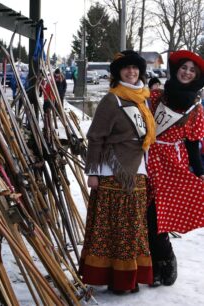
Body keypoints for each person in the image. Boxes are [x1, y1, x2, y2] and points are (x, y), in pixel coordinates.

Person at [79, 50, 155, 293]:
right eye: (126, 68)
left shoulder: (142, 99)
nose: (131, 72)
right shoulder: (112, 100)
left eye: (135, 68)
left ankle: (129, 276)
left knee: (133, 227)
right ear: (118, 72)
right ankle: (115, 278)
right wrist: (92, 172)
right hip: (113, 172)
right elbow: (95, 137)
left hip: (138, 171)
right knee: (113, 228)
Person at [147, 50, 204, 287]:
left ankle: (166, 260)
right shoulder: (156, 97)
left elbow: (192, 144)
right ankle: (150, 263)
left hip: (172, 163)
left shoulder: (195, 110)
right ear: (176, 69)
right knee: (143, 212)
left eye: (193, 70)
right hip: (147, 158)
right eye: (184, 67)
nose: (187, 72)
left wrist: (199, 172)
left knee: (157, 216)